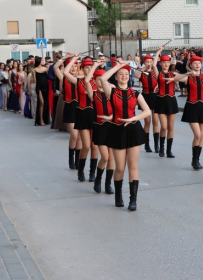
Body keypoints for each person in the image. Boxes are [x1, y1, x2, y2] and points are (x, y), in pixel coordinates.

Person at [100, 62, 151, 210]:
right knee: (120, 168)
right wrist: (118, 66)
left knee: (133, 165)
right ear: (116, 76)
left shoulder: (135, 93)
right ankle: (118, 196)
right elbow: (103, 79)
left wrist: (134, 118)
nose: (124, 76)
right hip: (117, 130)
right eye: (121, 74)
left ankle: (133, 200)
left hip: (133, 130)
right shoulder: (111, 91)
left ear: (129, 77)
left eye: (126, 75)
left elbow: (147, 111)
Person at [172, 56, 203, 169]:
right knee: (197, 135)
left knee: (202, 136)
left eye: (199, 63)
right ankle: (194, 159)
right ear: (191, 65)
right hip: (192, 107)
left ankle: (196, 160)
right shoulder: (188, 78)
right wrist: (188, 74)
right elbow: (176, 78)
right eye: (194, 63)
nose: (197, 65)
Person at [64, 55, 99, 182]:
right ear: (82, 69)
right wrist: (74, 59)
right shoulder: (78, 81)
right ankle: (80, 171)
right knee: (86, 146)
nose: (89, 70)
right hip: (83, 115)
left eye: (91, 67)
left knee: (95, 146)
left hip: (96, 115)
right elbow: (65, 72)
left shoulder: (99, 82)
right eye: (86, 68)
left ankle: (92, 173)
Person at [85, 63, 115, 195]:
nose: (102, 81)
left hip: (112, 126)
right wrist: (95, 65)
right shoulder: (94, 94)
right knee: (105, 157)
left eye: (104, 78)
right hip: (100, 128)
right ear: (95, 81)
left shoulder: (111, 92)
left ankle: (108, 184)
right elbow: (86, 80)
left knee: (112, 158)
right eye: (99, 79)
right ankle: (98, 179)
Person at [55, 56, 81, 170]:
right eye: (72, 66)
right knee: (74, 135)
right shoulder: (64, 77)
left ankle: (78, 160)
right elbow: (55, 68)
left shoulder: (81, 78)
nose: (74, 68)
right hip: (70, 107)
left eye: (76, 66)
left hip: (81, 108)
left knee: (80, 137)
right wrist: (65, 57)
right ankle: (71, 158)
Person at [152, 47, 179, 158]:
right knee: (163, 126)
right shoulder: (159, 75)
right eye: (164, 62)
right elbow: (153, 65)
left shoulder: (174, 75)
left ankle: (169, 150)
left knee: (171, 128)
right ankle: (161, 148)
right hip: (161, 101)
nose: (166, 64)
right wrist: (158, 52)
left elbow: (183, 78)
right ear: (161, 63)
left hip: (171, 101)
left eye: (167, 62)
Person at [135, 54, 159, 153]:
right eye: (147, 62)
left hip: (155, 96)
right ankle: (147, 144)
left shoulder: (155, 71)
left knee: (155, 122)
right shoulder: (142, 72)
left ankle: (156, 145)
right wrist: (144, 68)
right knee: (147, 122)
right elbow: (136, 75)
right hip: (145, 97)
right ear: (144, 63)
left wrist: (153, 65)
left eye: (150, 62)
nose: (149, 63)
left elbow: (158, 76)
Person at [34, 57, 50, 126]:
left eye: (43, 60)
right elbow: (35, 81)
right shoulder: (34, 70)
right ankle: (40, 120)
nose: (43, 61)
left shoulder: (46, 69)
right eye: (41, 60)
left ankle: (45, 119)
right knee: (41, 103)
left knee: (46, 103)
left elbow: (49, 77)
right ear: (39, 61)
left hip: (46, 87)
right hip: (39, 87)